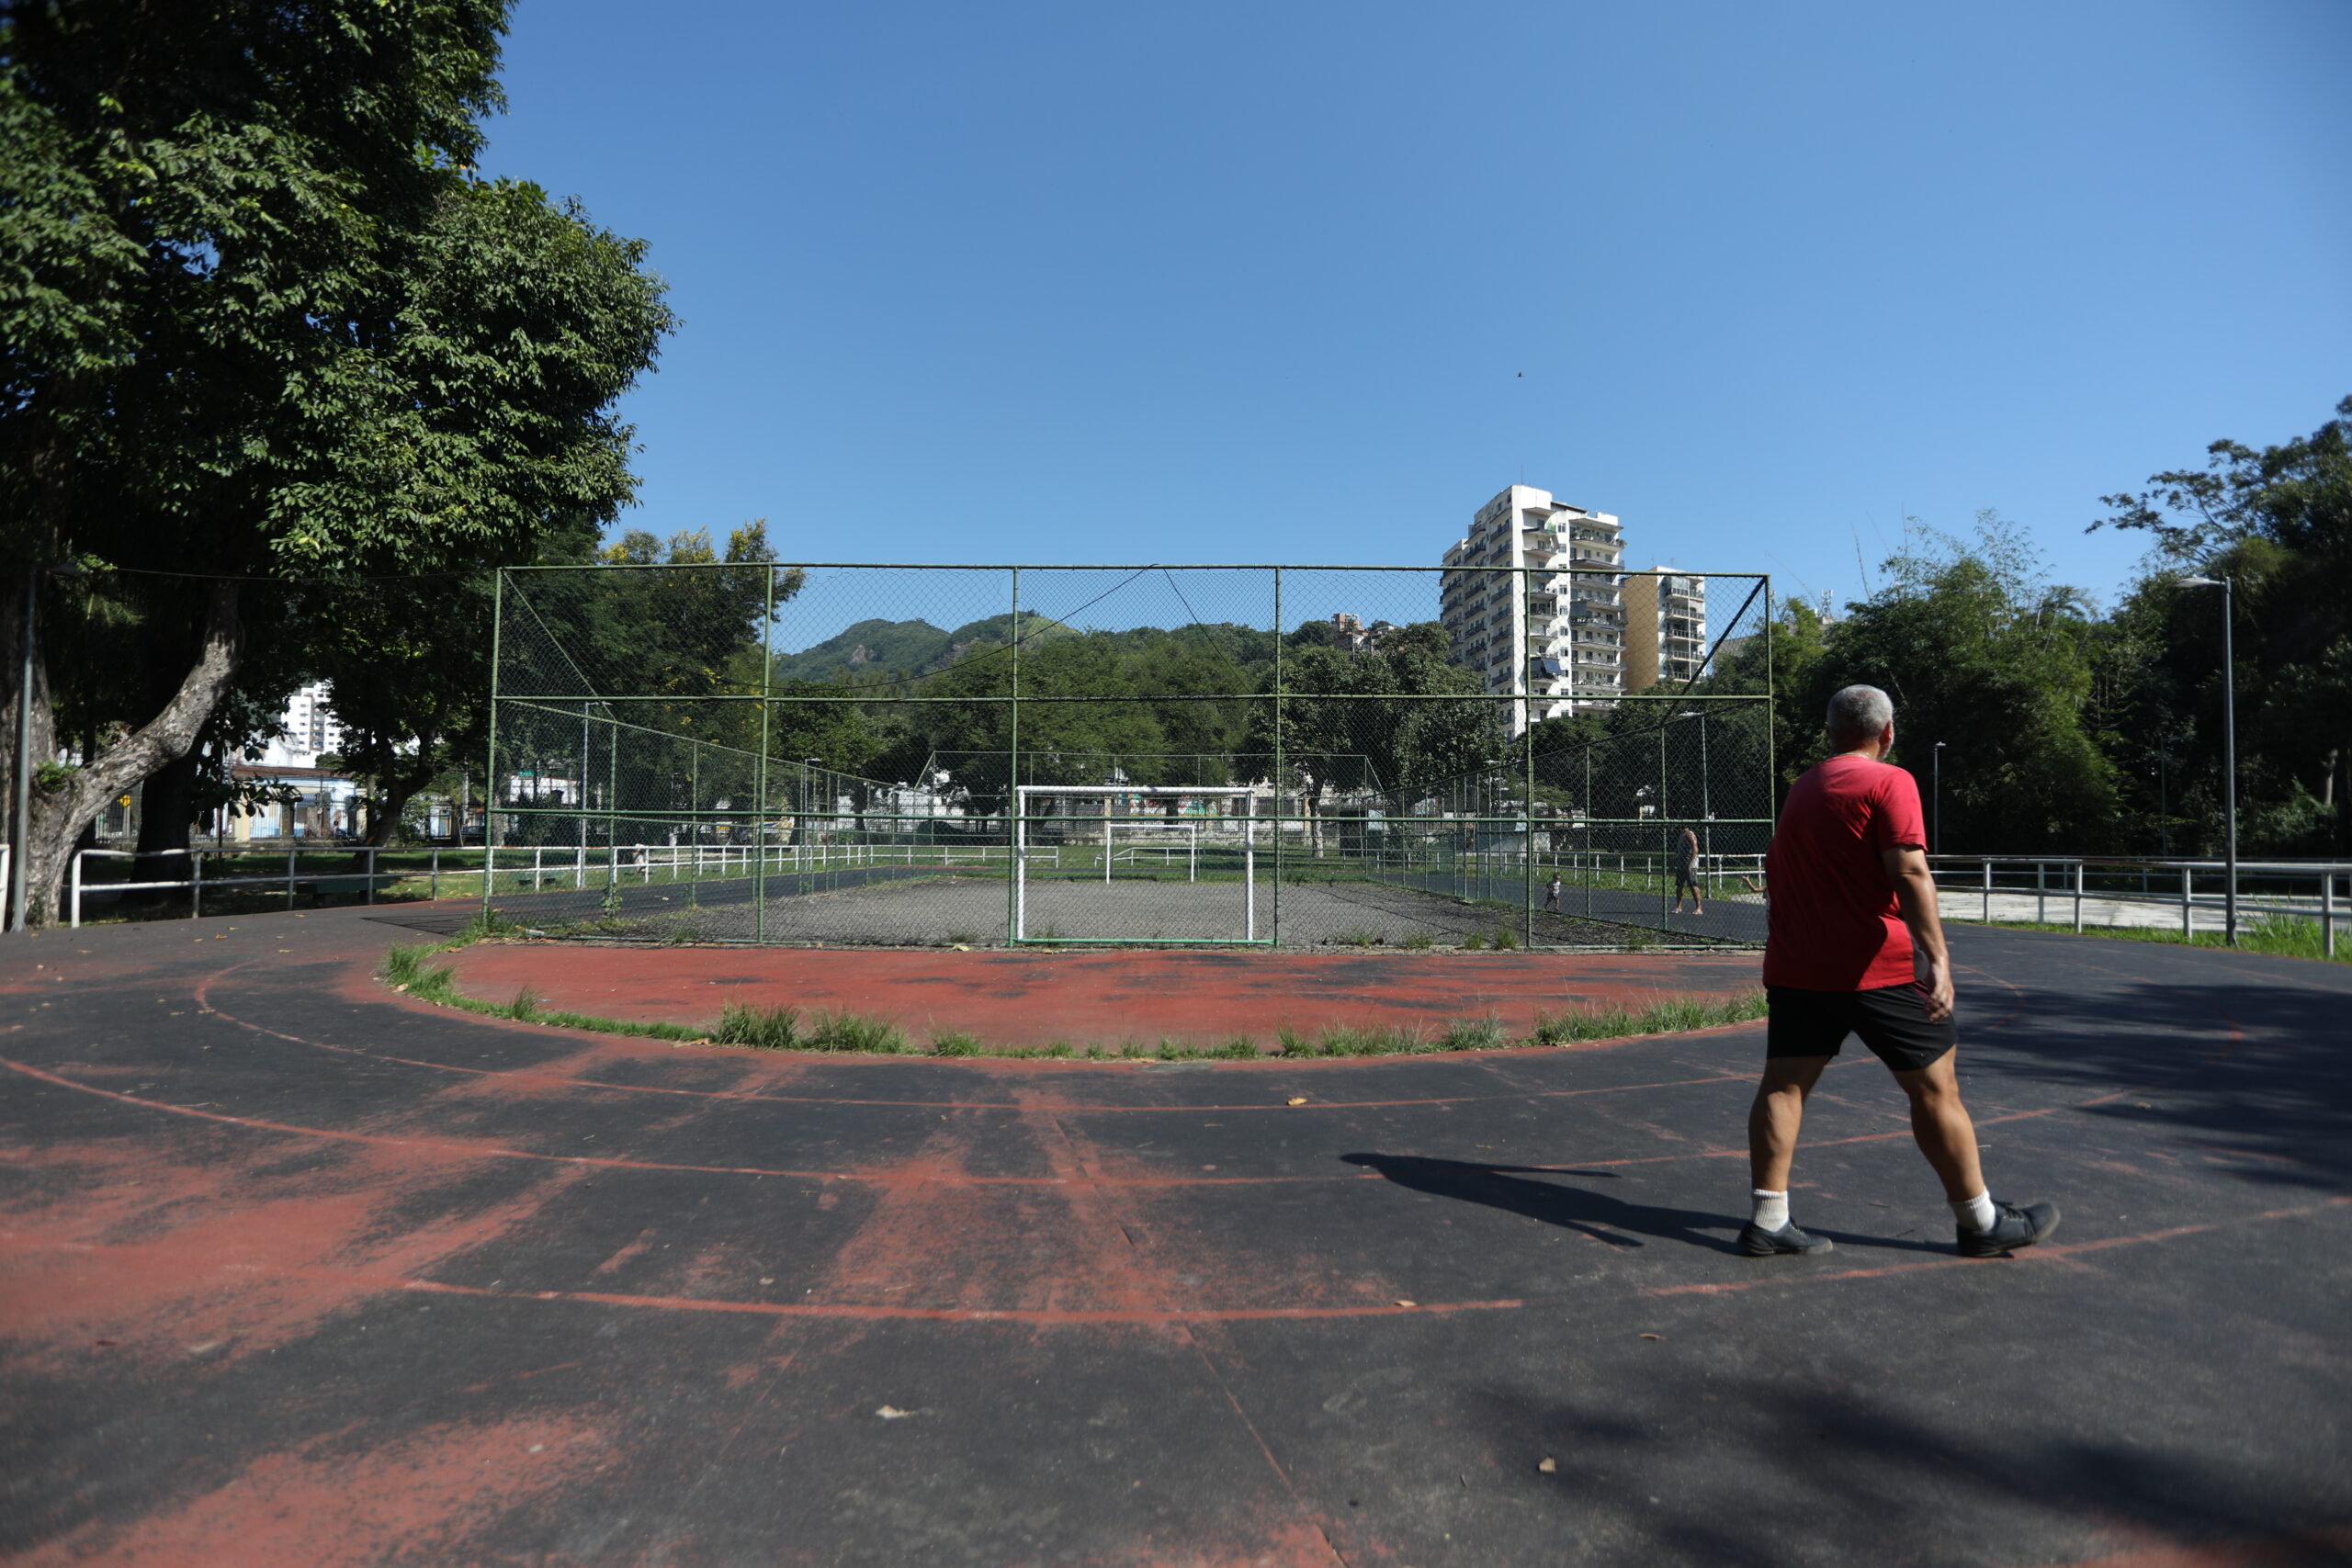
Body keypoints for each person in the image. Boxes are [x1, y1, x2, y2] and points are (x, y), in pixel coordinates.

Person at [1741, 683, 2058, 1259]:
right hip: (1874, 968)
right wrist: (1938, 958)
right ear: (1887, 733)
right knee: (1936, 1089)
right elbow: (1910, 871)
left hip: (1797, 965)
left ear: (1832, 732)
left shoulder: (1803, 787)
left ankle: (1768, 1220)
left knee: (1784, 1086)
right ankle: (1981, 1223)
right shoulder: (1892, 781)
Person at [1669, 826, 1704, 915]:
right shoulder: (1682, 835)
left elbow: (1695, 849)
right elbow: (1679, 852)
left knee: (1693, 884)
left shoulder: (1690, 834)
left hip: (1691, 865)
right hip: (1681, 864)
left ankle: (1698, 907)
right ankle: (1678, 906)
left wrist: (1690, 864)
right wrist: (1674, 863)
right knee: (1679, 886)